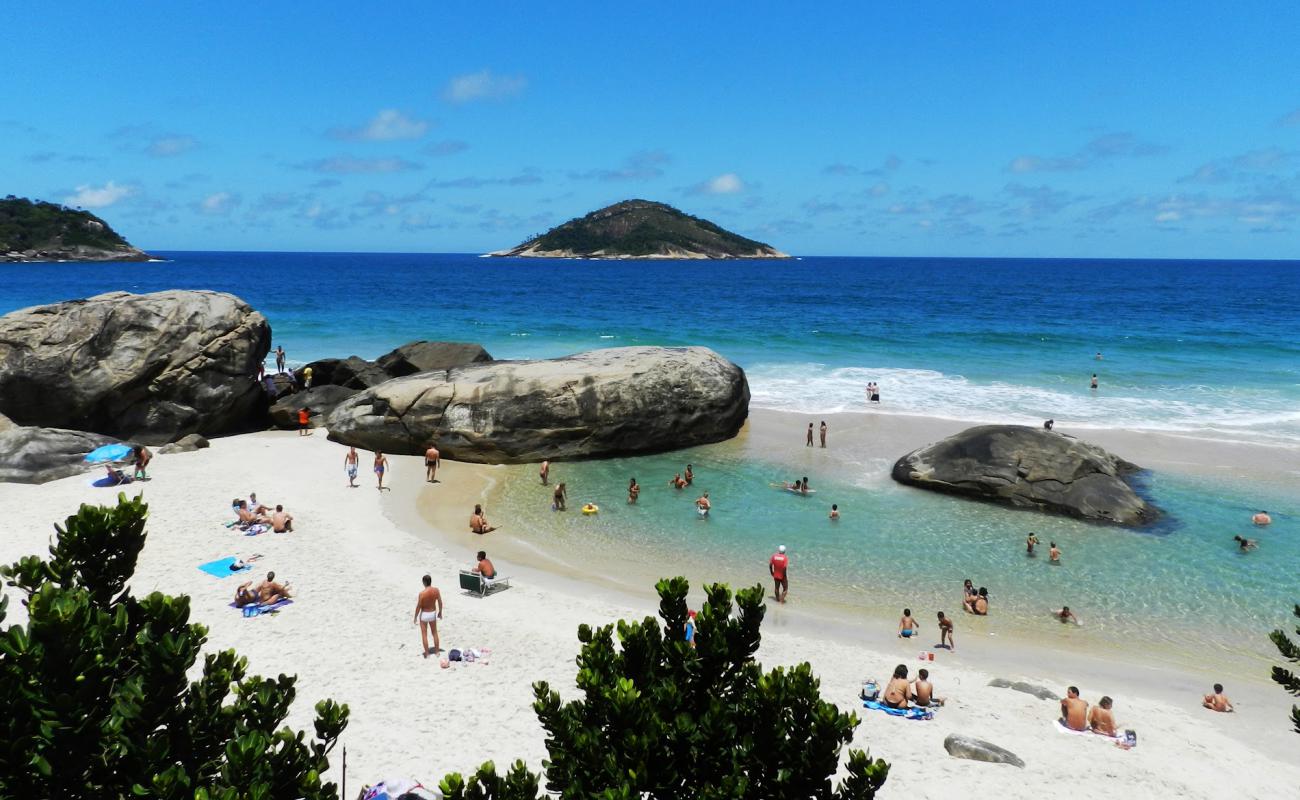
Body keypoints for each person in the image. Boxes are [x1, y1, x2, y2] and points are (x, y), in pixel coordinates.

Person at [413, 574, 443, 658]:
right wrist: (440, 612)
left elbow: (418, 606)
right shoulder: (436, 590)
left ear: (424, 582)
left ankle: (427, 653)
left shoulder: (422, 594)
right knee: (434, 633)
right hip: (432, 613)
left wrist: (415, 617)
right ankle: (437, 652)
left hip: (424, 614)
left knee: (424, 634)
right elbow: (440, 602)